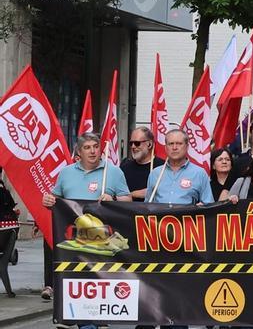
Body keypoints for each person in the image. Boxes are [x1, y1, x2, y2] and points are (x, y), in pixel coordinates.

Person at [42, 133, 132, 329]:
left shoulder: (114, 172)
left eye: (95, 147)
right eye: (87, 147)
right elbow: (55, 199)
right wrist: (48, 201)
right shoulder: (66, 173)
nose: (92, 151)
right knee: (76, 281)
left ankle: (98, 318)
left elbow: (128, 201)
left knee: (98, 282)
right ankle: (76, 318)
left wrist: (113, 200)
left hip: (103, 242)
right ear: (78, 152)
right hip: (74, 241)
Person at [146, 129, 214, 205]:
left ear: (187, 147)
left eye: (179, 143)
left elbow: (209, 205)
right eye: (171, 144)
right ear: (165, 148)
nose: (174, 147)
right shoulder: (155, 173)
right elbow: (148, 206)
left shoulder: (199, 173)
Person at [119, 127, 164, 201]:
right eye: (131, 143)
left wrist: (134, 194)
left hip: (153, 211)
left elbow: (167, 191)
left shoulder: (163, 167)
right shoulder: (125, 166)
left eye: (137, 143)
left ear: (149, 144)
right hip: (128, 211)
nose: (133, 146)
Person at [0, 168, 19, 298]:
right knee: (3, 262)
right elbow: (12, 206)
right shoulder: (4, 191)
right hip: (11, 229)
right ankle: (9, 291)